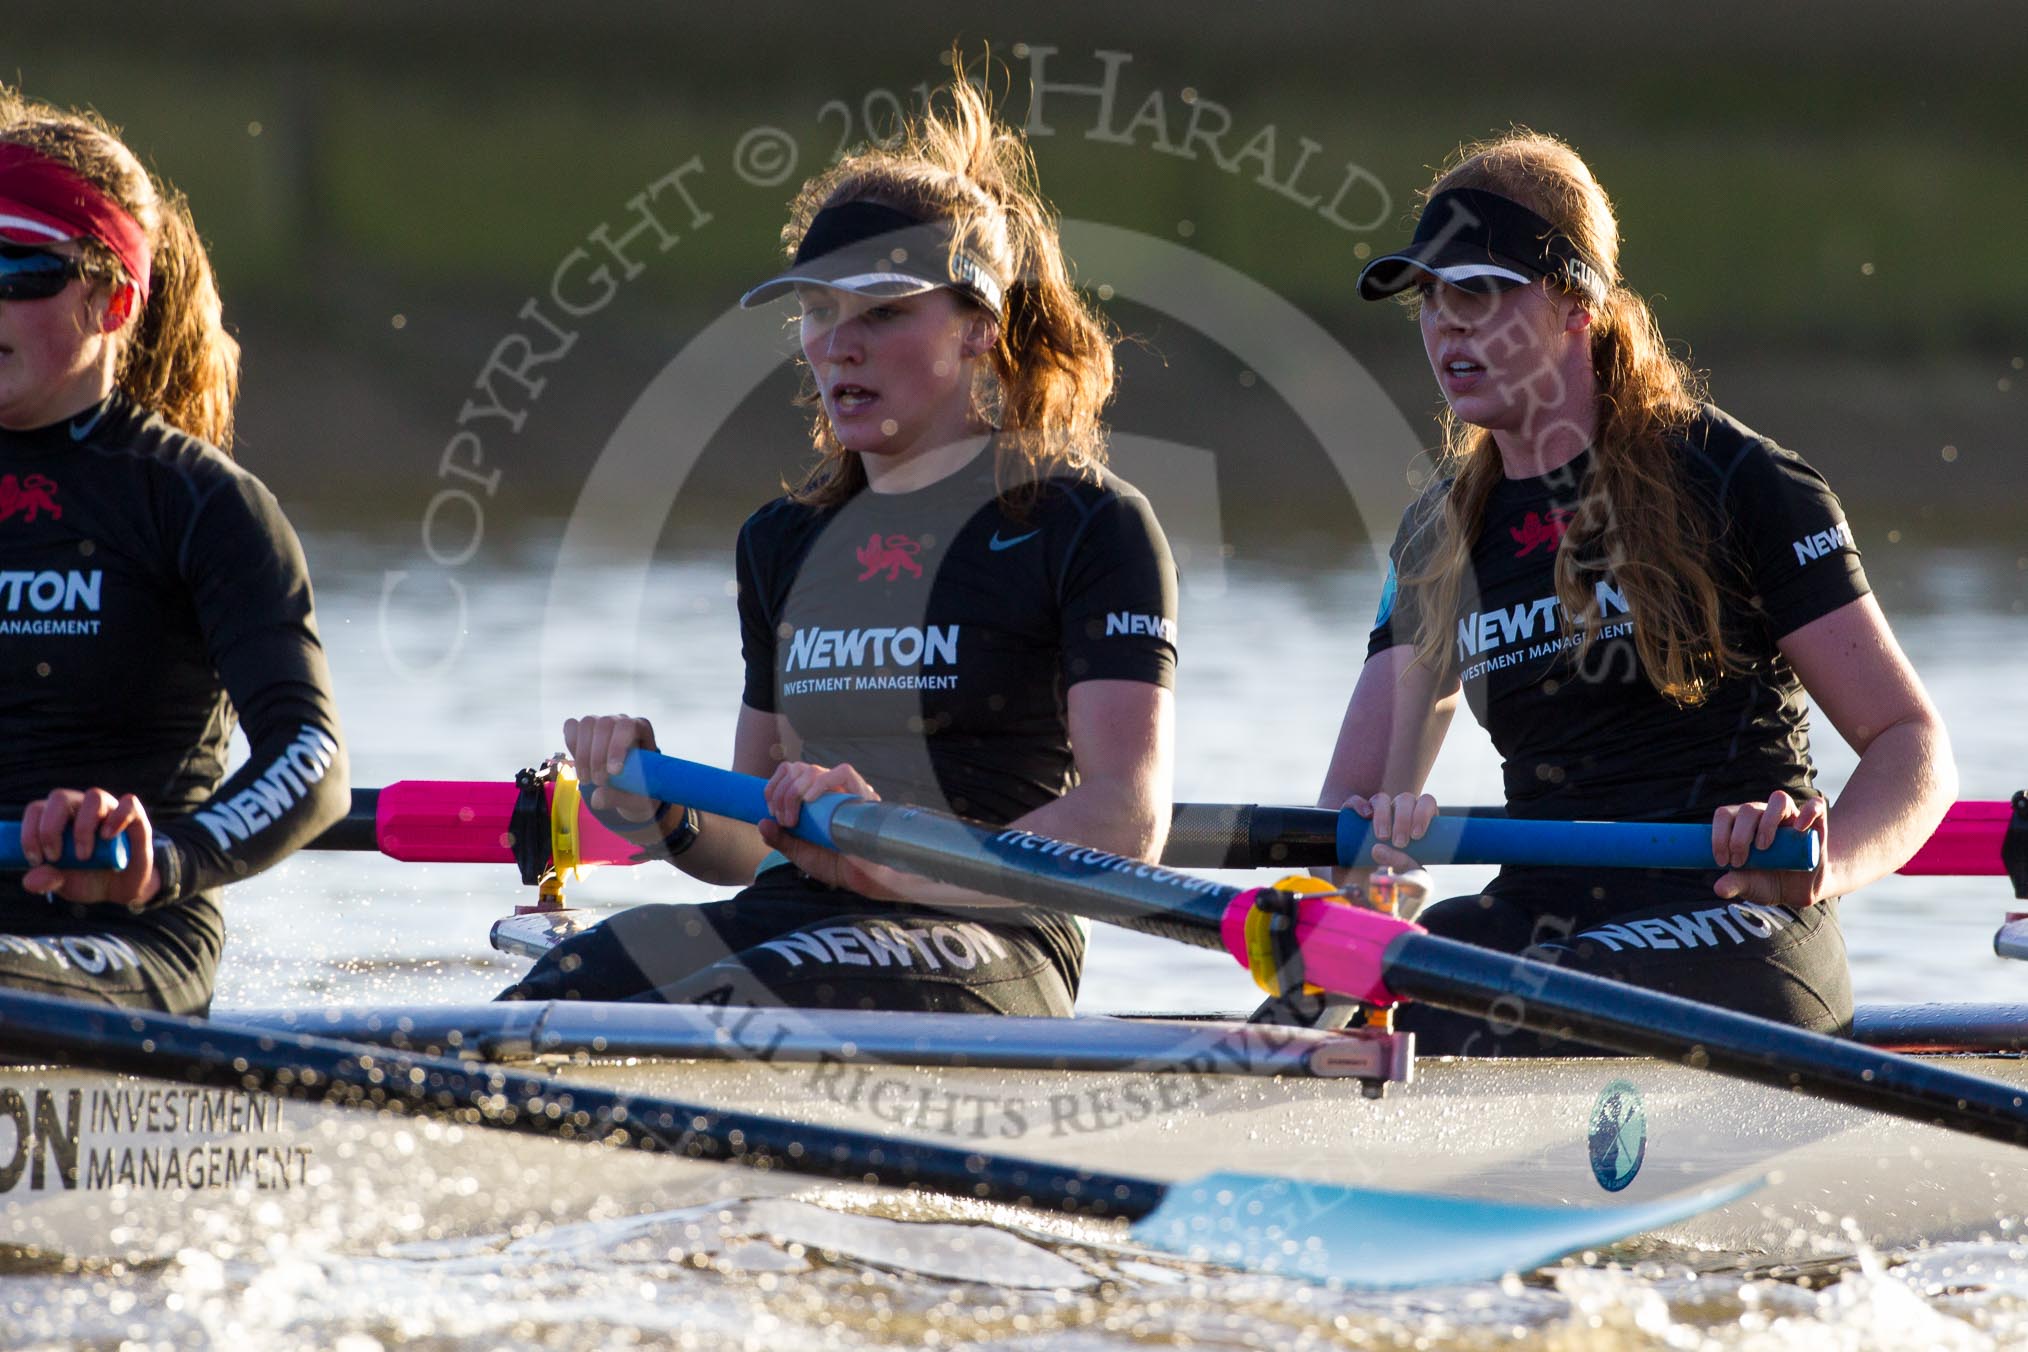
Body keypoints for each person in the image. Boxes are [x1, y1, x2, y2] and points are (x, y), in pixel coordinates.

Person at [504, 74, 1177, 1015]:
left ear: (979, 326)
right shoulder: (782, 542)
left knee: (748, 995)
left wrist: (893, 869)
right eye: (818, 310)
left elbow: (1123, 825)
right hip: (794, 914)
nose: (838, 345)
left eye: (884, 312)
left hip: (997, 930)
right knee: (557, 988)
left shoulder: (1084, 524)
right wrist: (659, 810)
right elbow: (746, 839)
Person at [1318, 129, 1955, 1054]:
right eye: (1429, 296)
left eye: (1482, 290)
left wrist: (1819, 863)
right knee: (1337, 994)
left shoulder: (1739, 482)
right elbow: (1347, 811)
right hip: (1544, 921)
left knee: (1488, 1004)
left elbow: (1914, 744)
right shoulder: (1437, 534)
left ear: (1577, 302)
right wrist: (1375, 849)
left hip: (1738, 916)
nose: (1446, 322)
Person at [0, 88, 348, 1014]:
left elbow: (311, 760)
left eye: (18, 269)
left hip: (129, 939)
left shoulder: (202, 505)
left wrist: (165, 861)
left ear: (113, 297)